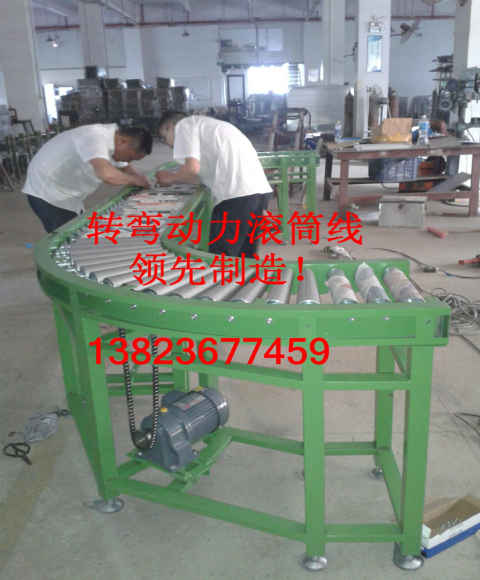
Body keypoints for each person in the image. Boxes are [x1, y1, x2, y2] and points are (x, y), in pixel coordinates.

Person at [155, 112, 272, 258]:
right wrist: (177, 178)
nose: (168, 144)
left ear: (170, 127)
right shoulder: (206, 128)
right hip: (257, 192)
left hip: (235, 195)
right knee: (245, 255)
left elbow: (191, 169)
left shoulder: (184, 125)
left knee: (220, 257)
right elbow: (198, 177)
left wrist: (169, 178)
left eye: (164, 137)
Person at [23, 124, 153, 233]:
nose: (128, 161)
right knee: (65, 238)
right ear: (123, 141)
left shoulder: (116, 141)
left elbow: (126, 168)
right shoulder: (94, 137)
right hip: (48, 193)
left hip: (68, 193)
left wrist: (142, 181)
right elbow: (107, 175)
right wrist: (134, 180)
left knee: (78, 230)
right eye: (130, 157)